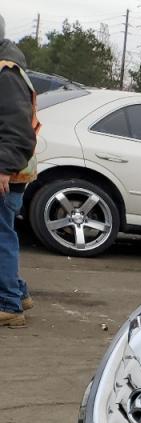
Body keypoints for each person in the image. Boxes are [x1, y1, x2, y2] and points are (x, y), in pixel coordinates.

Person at [0, 14, 38, 329]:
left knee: (0, 237)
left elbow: (18, 130)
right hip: (9, 170)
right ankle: (18, 293)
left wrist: (3, 168)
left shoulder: (6, 73)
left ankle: (8, 305)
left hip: (5, 173)